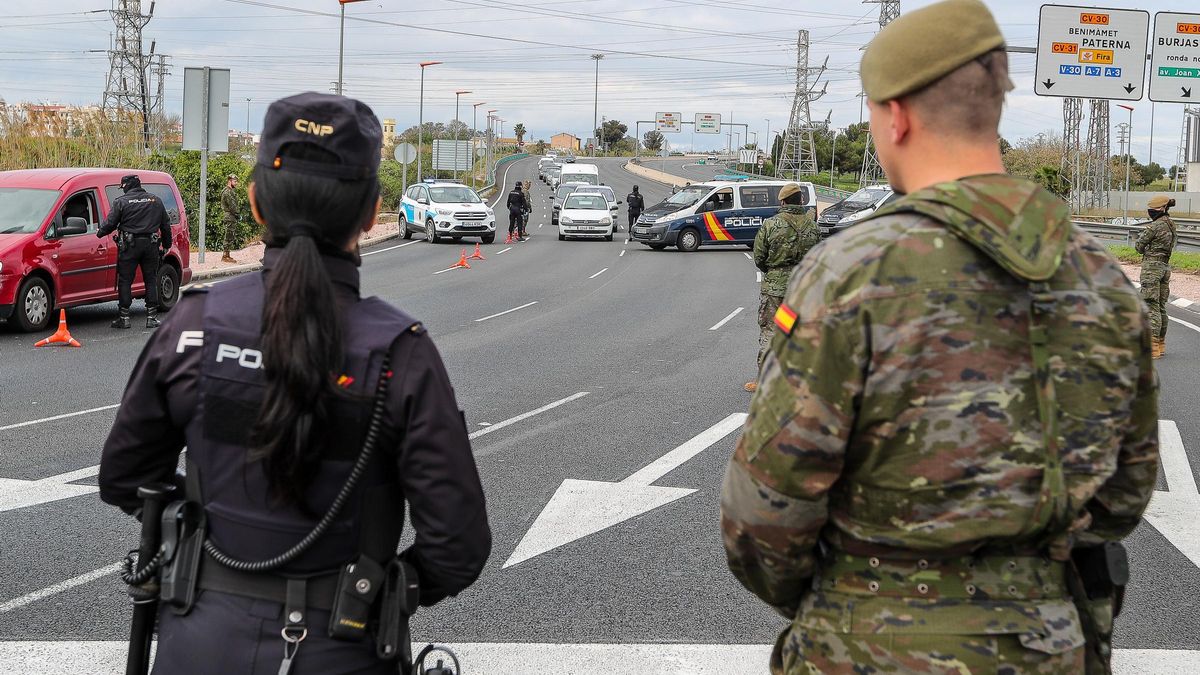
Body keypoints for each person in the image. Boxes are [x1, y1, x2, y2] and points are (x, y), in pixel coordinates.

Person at [720, 2, 1158, 674]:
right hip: (1048, 644)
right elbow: (1125, 492)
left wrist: (847, 603)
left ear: (895, 116)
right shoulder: (1100, 276)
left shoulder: (852, 270)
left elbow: (765, 511)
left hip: (868, 643)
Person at [98, 92, 491, 674]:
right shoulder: (401, 352)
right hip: (344, 648)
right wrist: (380, 591)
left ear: (256, 202)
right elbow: (457, 547)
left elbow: (126, 476)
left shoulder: (194, 324)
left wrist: (207, 538)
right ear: (370, 213)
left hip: (197, 644)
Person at [744, 183, 818, 393]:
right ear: (801, 200)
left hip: (776, 290)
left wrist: (774, 272)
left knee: (771, 332)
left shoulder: (771, 224)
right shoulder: (812, 226)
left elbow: (759, 256)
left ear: (783, 202)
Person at [97, 174, 172, 329]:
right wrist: (166, 244)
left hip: (129, 247)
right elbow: (165, 225)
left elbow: (110, 223)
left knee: (125, 281)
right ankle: (151, 317)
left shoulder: (121, 202)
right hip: (151, 245)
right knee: (151, 279)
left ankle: (124, 318)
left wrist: (100, 232)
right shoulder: (155, 200)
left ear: (126, 186)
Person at [1135, 195, 1176, 359]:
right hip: (1165, 267)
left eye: (1152, 208)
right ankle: (1160, 344)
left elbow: (1139, 246)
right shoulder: (1171, 225)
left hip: (1152, 268)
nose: (1150, 211)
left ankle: (1152, 348)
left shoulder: (1154, 227)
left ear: (1160, 208)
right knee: (1160, 306)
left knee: (1150, 306)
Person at [221, 174, 241, 264]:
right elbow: (232, 206)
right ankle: (225, 256)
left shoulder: (230, 191)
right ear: (230, 181)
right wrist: (237, 214)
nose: (236, 183)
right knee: (228, 236)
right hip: (230, 216)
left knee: (230, 235)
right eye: (235, 181)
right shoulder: (227, 192)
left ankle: (227, 255)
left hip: (231, 216)